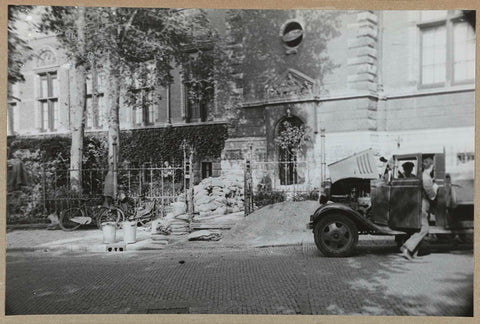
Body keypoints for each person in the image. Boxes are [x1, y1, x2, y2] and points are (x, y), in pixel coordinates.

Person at [400, 157, 438, 260]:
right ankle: (406, 248)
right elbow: (432, 196)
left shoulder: (422, 176)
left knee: (420, 228)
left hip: (419, 205)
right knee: (424, 228)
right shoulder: (426, 177)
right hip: (422, 206)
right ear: (431, 166)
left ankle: (413, 252)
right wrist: (435, 187)